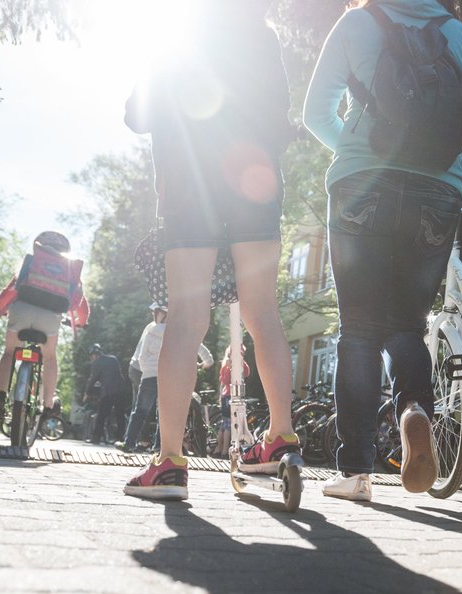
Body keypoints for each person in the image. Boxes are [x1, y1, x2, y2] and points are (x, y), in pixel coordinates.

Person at [303, 0, 462, 501]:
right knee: (407, 326)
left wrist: (352, 150)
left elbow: (314, 113)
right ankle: (414, 411)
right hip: (439, 194)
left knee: (360, 331)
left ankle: (356, 472)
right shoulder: (459, 36)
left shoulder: (356, 24)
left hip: (361, 187)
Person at [122, 0, 300, 500]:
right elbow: (279, 119)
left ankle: (171, 463)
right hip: (253, 180)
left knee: (186, 318)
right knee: (263, 312)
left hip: (189, 185)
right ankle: (281, 439)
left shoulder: (175, 34)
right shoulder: (262, 35)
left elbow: (137, 115)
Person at [0, 231, 89, 424]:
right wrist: (81, 323)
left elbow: (11, 290)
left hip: (21, 311)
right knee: (50, 358)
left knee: (9, 352)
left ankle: (1, 395)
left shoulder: (32, 263)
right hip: (50, 317)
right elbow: (81, 304)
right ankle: (48, 405)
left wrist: (0, 309)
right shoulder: (69, 270)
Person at [120, 304, 214, 452]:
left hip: (150, 376)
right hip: (170, 376)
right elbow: (201, 350)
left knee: (140, 411)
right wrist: (207, 363)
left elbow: (142, 356)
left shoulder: (151, 330)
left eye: (156, 313)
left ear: (162, 314)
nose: (154, 315)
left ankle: (129, 443)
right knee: (164, 412)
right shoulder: (181, 331)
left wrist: (149, 370)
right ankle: (159, 447)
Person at [214, 344, 251, 458]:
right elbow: (245, 373)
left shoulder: (226, 364)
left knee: (224, 425)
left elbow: (246, 372)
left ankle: (218, 449)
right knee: (229, 426)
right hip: (231, 396)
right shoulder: (228, 365)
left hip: (226, 396)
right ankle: (225, 451)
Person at [84, 343, 126, 444]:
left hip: (108, 392)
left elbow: (92, 379)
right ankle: (121, 438)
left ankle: (96, 438)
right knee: (120, 415)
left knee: (101, 415)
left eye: (91, 357)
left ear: (93, 355)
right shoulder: (113, 359)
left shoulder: (96, 363)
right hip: (120, 390)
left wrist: (87, 393)